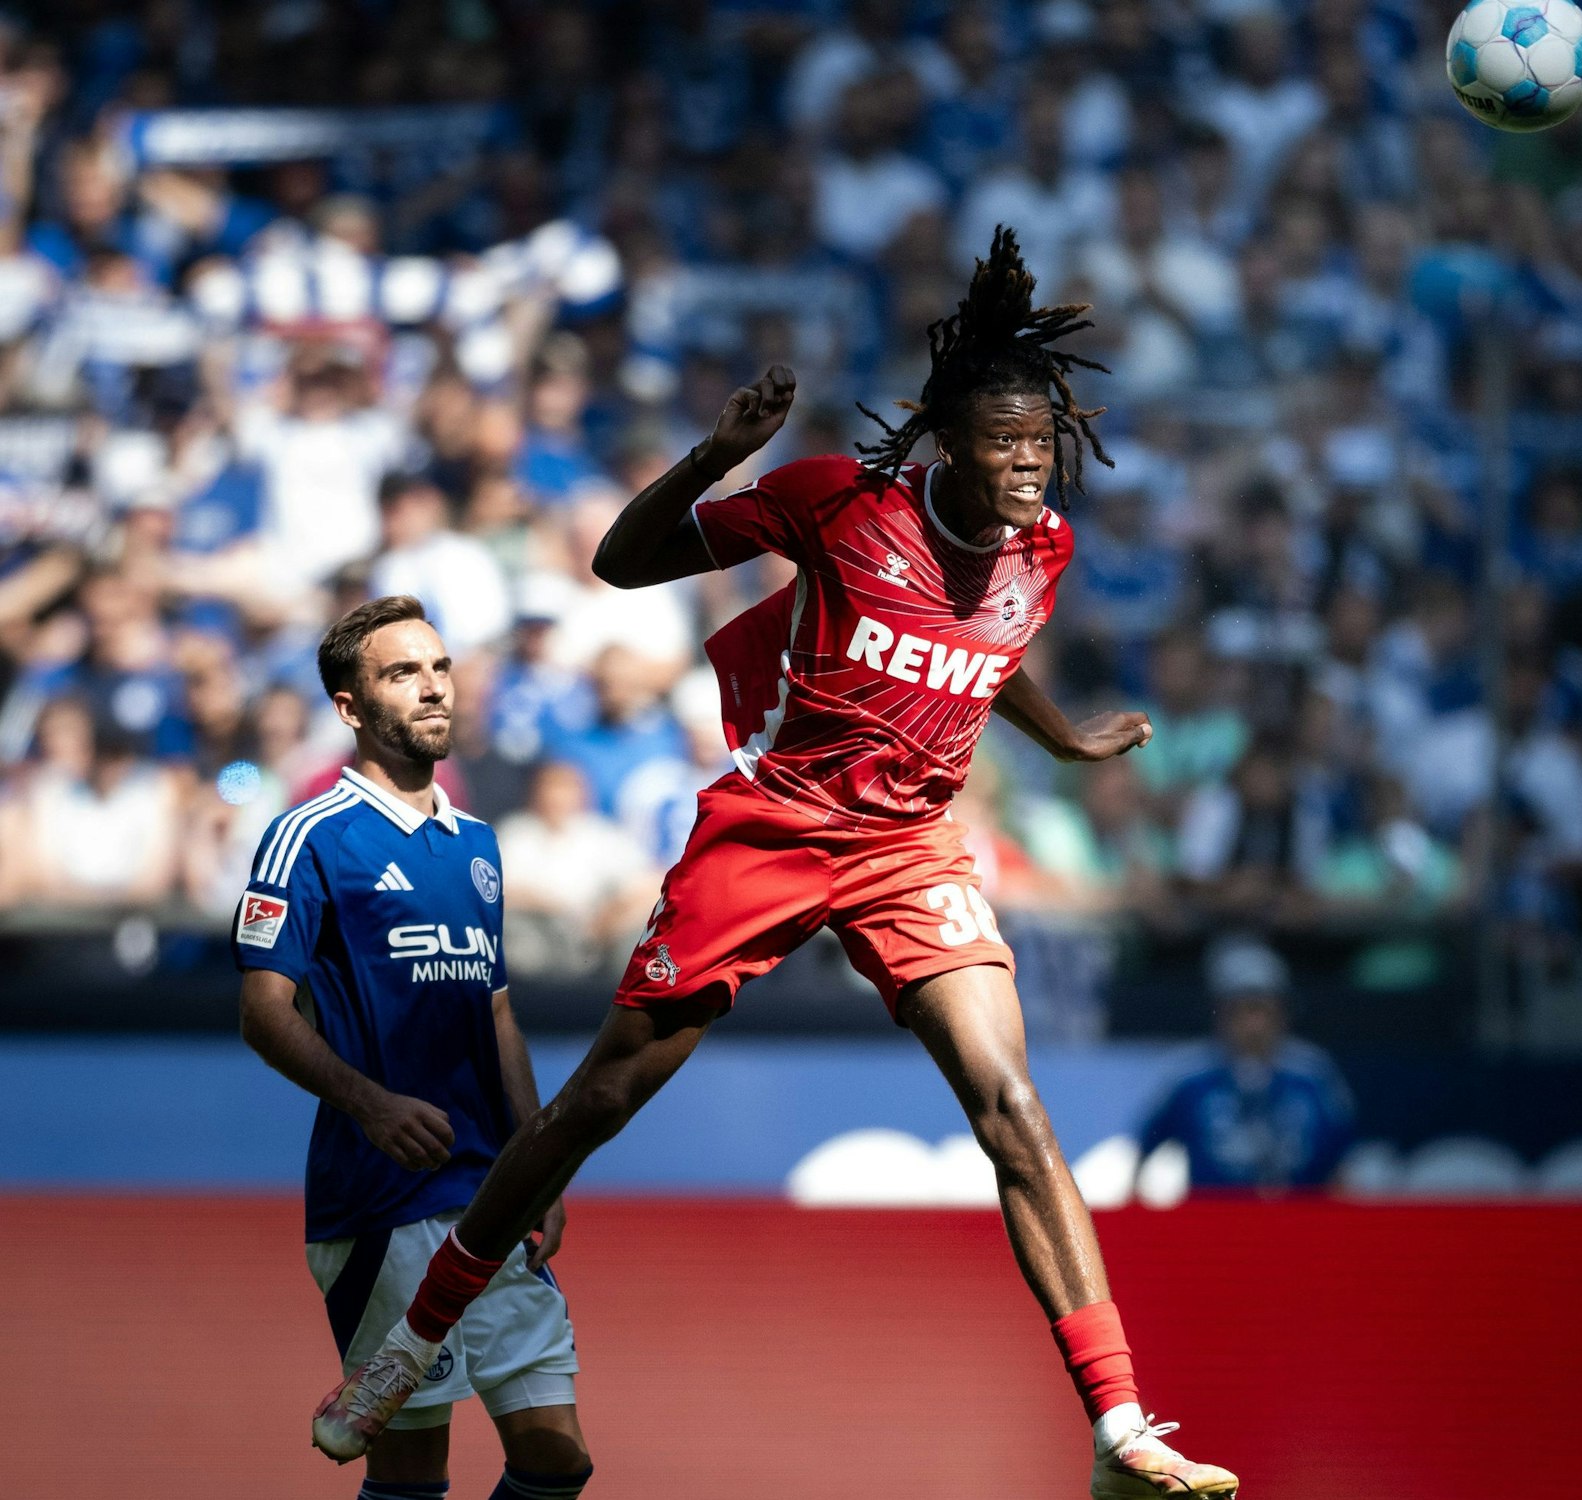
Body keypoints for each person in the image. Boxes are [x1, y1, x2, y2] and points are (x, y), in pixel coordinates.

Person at [311, 228, 1239, 1499]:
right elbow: (621, 562)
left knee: (1011, 1105)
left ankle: (1118, 1427)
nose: (1031, 462)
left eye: (1042, 441)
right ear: (946, 441)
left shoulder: (1044, 549)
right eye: (1005, 441)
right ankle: (411, 1344)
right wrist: (716, 456)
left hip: (909, 848)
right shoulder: (836, 502)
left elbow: (981, 649)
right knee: (598, 1101)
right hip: (776, 827)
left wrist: (1064, 737)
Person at [236, 596, 591, 1500]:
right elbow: (263, 1013)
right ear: (351, 706)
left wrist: (538, 1169)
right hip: (381, 1197)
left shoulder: (477, 843)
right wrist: (371, 1103)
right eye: (402, 673)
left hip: (489, 1197)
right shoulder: (308, 836)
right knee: (410, 1469)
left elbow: (498, 1016)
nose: (433, 687)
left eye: (439, 668)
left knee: (557, 1458)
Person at [1137, 938, 1356, 1191]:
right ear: (1220, 1015)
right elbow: (1145, 1151)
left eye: (1263, 1010)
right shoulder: (1188, 1076)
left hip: (1299, 1211)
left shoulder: (1314, 1074)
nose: (1254, 1026)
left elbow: (1343, 1160)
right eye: (1242, 1011)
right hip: (1214, 1211)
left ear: (1283, 1014)